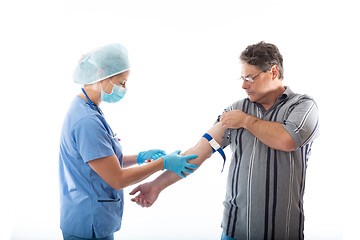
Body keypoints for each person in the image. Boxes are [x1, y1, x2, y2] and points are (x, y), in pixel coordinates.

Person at [130, 41, 319, 240]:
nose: (244, 85)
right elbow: (198, 153)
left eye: (249, 78)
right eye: (242, 78)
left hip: (282, 232)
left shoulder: (302, 106)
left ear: (273, 72)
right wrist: (156, 186)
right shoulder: (234, 111)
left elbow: (287, 139)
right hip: (235, 230)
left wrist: (246, 121)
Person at [58, 43, 198, 240]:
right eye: (121, 82)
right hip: (88, 224)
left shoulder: (87, 109)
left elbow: (101, 161)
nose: (124, 88)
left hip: (91, 220)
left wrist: (140, 157)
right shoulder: (87, 121)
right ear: (100, 74)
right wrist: (162, 164)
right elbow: (117, 178)